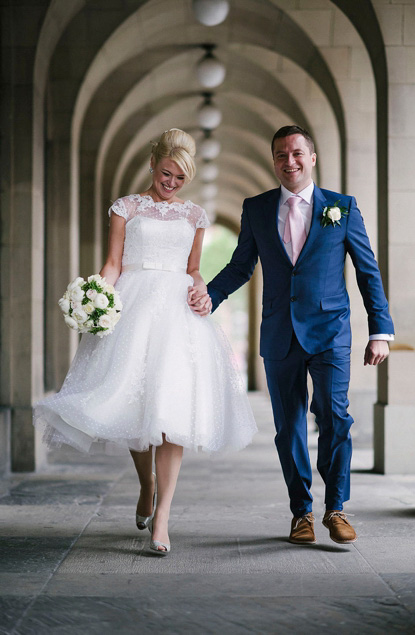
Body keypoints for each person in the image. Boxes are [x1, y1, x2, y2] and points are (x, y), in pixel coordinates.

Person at [34, 128, 257, 556]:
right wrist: (96, 297)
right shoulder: (126, 208)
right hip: (134, 307)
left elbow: (193, 268)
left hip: (178, 314)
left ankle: (164, 517)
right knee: (135, 408)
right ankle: (147, 484)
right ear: (153, 163)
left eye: (179, 179)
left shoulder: (194, 216)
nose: (170, 184)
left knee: (172, 413)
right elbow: (114, 263)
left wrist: (200, 288)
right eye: (166, 174)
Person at [188, 125, 393, 545]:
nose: (290, 161)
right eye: (281, 155)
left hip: (331, 330)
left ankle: (336, 508)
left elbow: (367, 272)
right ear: (274, 161)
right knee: (289, 427)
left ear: (312, 158)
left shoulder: (342, 207)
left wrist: (380, 331)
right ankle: (301, 512)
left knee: (335, 416)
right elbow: (241, 265)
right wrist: (209, 295)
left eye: (297, 153)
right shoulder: (257, 208)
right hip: (280, 331)